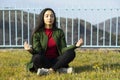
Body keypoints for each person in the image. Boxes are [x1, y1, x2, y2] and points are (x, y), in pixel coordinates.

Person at [24, 8, 83, 75]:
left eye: (52, 16)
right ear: (42, 18)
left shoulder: (59, 32)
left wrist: (75, 46)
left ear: (54, 18)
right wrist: (30, 50)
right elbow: (38, 51)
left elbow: (63, 49)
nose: (49, 18)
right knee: (36, 58)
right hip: (44, 60)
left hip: (57, 60)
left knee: (71, 53)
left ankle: (50, 70)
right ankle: (60, 70)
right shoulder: (37, 33)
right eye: (47, 16)